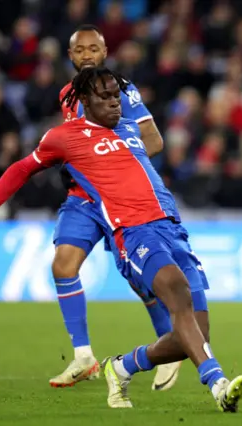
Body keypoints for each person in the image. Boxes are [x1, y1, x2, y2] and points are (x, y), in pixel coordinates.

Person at [0, 66, 242, 412]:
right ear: (85, 100)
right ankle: (218, 383)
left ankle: (122, 367)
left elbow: (153, 144)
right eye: (105, 97)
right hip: (133, 234)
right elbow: (22, 169)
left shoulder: (130, 128)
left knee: (195, 337)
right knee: (175, 292)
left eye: (117, 95)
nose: (116, 103)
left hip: (172, 228)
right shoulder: (65, 137)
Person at [54, 24, 181, 390]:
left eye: (94, 49)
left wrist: (109, 162)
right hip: (83, 198)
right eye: (80, 50)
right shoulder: (66, 95)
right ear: (71, 56)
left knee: (143, 282)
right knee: (63, 265)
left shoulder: (121, 90)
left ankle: (169, 349)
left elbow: (153, 141)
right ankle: (83, 358)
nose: (88, 55)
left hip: (119, 199)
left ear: (105, 52)